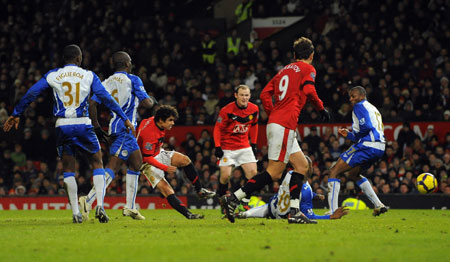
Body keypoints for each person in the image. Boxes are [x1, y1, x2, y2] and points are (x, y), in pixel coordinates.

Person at [2, 44, 134, 223]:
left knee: (68, 169)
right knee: (97, 162)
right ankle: (100, 206)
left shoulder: (53, 74)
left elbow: (32, 93)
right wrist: (124, 117)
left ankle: (75, 214)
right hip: (83, 124)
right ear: (79, 58)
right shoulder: (88, 75)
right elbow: (105, 98)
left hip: (63, 125)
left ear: (64, 59)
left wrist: (16, 113)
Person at [220, 37, 330, 224]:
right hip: (284, 124)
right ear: (311, 55)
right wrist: (320, 108)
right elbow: (310, 90)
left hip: (279, 123)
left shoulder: (283, 71)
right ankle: (233, 198)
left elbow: (264, 94)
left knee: (302, 166)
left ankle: (295, 212)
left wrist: (274, 114)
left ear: (294, 55)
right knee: (274, 172)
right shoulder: (308, 69)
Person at [79, 51, 155, 221]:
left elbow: (92, 103)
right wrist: (152, 99)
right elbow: (147, 103)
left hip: (116, 128)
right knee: (113, 166)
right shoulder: (133, 79)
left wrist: (97, 126)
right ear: (127, 63)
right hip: (124, 129)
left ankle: (130, 207)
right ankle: (88, 200)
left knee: (136, 164)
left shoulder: (106, 82)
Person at [137, 105, 215, 219]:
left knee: (185, 160)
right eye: (170, 120)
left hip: (158, 152)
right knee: (166, 189)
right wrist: (165, 168)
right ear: (160, 120)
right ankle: (188, 214)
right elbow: (147, 158)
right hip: (146, 162)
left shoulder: (155, 121)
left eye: (173, 120)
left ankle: (199, 190)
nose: (172, 123)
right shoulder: (150, 134)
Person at [327, 86, 388, 216]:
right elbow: (361, 132)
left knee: (334, 171)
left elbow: (366, 127)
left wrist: (354, 135)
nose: (351, 99)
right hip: (380, 147)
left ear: (362, 95)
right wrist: (348, 134)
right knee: (353, 175)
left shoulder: (359, 106)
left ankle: (333, 211)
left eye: (353, 96)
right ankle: (379, 204)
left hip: (367, 145)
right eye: (350, 96)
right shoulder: (372, 108)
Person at [237, 159, 348, 220]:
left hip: (272, 206)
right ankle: (245, 214)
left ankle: (244, 214)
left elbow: (295, 190)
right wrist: (330, 217)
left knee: (249, 213)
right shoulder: (304, 190)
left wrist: (314, 195)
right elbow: (309, 216)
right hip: (283, 215)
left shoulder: (290, 174)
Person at [214, 85, 259, 209]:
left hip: (244, 146)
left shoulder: (254, 109)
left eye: (246, 95)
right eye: (242, 95)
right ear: (236, 95)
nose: (244, 98)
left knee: (253, 174)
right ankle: (223, 200)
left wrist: (254, 144)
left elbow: (254, 125)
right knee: (225, 176)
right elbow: (217, 128)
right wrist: (217, 147)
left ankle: (245, 202)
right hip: (227, 147)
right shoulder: (226, 110)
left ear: (249, 96)